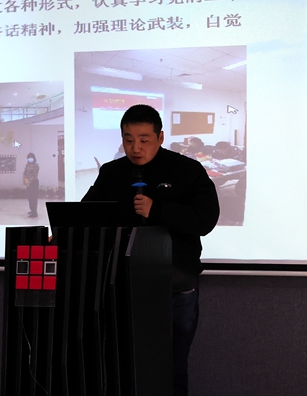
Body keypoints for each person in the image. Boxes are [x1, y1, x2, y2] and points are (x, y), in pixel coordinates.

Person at [81, 104, 219, 396]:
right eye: (129, 139)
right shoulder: (112, 172)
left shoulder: (187, 170)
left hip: (175, 287)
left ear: (160, 137)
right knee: (122, 366)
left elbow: (205, 220)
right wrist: (63, 232)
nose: (136, 147)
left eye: (144, 139)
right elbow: (86, 213)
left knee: (171, 368)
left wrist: (158, 210)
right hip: (122, 287)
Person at [22, 152, 40, 218]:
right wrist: (24, 181)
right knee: (29, 197)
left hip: (34, 183)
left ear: (34, 158)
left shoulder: (36, 165)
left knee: (34, 198)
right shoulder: (27, 165)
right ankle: (32, 210)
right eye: (29, 158)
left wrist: (29, 181)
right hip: (28, 183)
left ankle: (35, 212)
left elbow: (34, 175)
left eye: (31, 157)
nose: (30, 159)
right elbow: (25, 173)